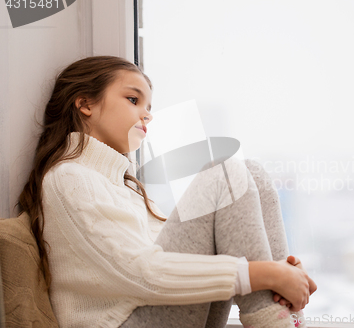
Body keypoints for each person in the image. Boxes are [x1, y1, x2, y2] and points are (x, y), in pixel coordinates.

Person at [16, 55, 316, 328]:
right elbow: (140, 274)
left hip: (153, 312)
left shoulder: (123, 187)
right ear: (86, 104)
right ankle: (274, 320)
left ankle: (285, 317)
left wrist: (281, 273)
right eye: (133, 99)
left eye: (149, 107)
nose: (147, 115)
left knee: (254, 173)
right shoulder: (70, 177)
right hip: (123, 320)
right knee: (224, 173)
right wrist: (268, 274)